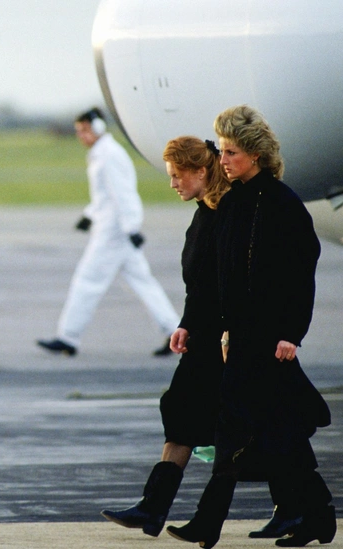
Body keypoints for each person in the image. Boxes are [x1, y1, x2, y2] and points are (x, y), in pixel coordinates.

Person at [166, 105, 335, 548]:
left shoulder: (282, 204)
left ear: (256, 155)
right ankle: (318, 516)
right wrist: (203, 327)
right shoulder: (232, 203)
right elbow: (217, 279)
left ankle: (208, 523)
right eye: (221, 151)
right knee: (279, 430)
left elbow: (300, 275)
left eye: (231, 153)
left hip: (270, 340)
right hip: (238, 338)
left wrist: (291, 334)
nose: (222, 160)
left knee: (235, 432)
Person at [101, 136, 230, 535]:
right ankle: (155, 508)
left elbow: (234, 286)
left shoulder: (229, 216)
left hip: (227, 339)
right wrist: (185, 324)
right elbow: (200, 287)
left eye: (177, 175)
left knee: (249, 427)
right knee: (183, 411)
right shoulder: (204, 214)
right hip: (204, 335)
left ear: (201, 172)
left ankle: (305, 505)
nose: (172, 183)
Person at [37, 107, 179, 357]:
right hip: (114, 228)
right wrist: (89, 215)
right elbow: (104, 196)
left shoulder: (109, 155)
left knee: (87, 281)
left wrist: (131, 227)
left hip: (113, 232)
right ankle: (174, 331)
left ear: (98, 127)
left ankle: (68, 337)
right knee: (143, 282)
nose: (81, 136)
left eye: (84, 130)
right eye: (78, 131)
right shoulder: (101, 153)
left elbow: (123, 194)